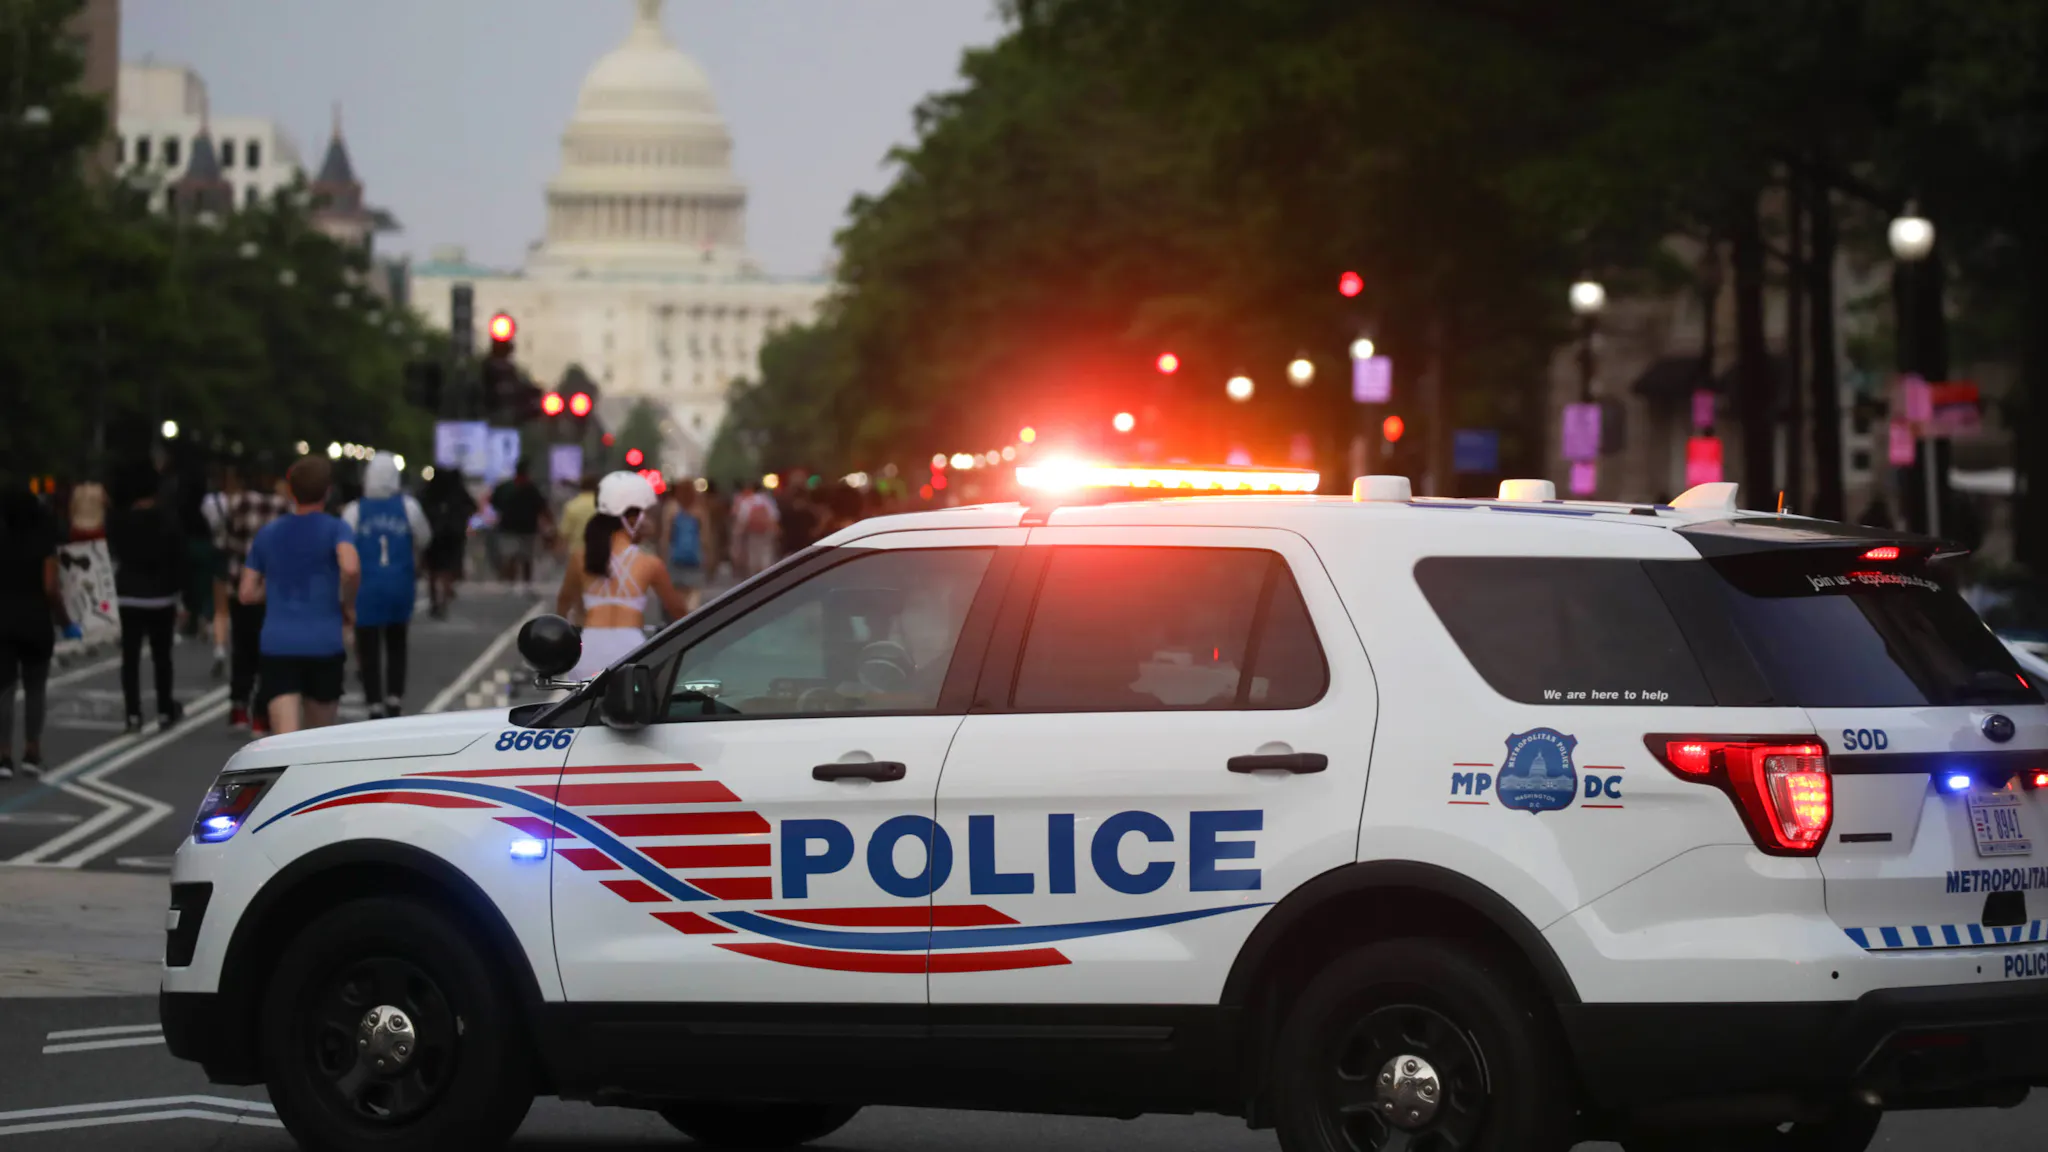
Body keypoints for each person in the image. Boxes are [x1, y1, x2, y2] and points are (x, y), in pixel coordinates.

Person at [240, 456, 359, 735]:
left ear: (290, 491)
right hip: (324, 644)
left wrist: (271, 591)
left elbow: (246, 592)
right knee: (317, 742)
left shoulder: (268, 533)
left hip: (278, 645)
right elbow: (351, 567)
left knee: (286, 743)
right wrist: (349, 604)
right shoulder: (336, 528)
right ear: (328, 492)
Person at [556, 471, 689, 681]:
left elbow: (564, 602)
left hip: (588, 650)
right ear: (633, 518)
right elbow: (678, 611)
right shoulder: (650, 563)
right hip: (630, 653)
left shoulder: (581, 557)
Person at [343, 453, 430, 719]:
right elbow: (425, 537)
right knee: (396, 642)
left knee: (367, 645)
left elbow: (344, 545)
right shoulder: (408, 507)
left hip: (367, 585)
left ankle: (373, 702)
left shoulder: (355, 510)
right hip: (399, 582)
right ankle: (394, 697)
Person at [0, 488, 78, 778]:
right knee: (35, 689)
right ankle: (32, 751)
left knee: (4, 691)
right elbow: (50, 588)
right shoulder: (44, 542)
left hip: (3, 623)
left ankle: (3, 755)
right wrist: (66, 621)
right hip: (35, 622)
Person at [106, 463, 185, 734]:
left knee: (129, 657)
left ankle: (133, 714)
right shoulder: (167, 519)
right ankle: (164, 709)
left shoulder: (119, 520)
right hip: (161, 596)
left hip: (128, 594)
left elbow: (112, 555)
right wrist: (181, 596)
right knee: (162, 656)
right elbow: (177, 560)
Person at [218, 464, 292, 732]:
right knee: (268, 655)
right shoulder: (283, 509)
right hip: (272, 592)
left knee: (242, 648)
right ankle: (261, 714)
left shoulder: (238, 504)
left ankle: (239, 707)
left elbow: (227, 542)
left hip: (242, 586)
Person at [420, 467, 476, 618]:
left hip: (433, 536)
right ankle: (443, 599)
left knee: (433, 571)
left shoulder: (429, 492)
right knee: (447, 569)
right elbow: (472, 507)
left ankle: (434, 600)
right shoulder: (458, 492)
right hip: (453, 536)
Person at [489, 459, 551, 591]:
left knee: (510, 557)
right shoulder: (532, 488)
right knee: (526, 558)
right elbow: (542, 507)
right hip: (527, 528)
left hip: (507, 527)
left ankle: (509, 583)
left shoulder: (505, 487)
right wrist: (549, 523)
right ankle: (526, 584)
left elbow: (493, 502)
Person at [665, 486, 705, 616]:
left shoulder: (672, 510)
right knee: (694, 590)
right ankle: (691, 614)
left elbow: (666, 536)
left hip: (676, 556)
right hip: (694, 557)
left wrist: (663, 555)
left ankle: (680, 619)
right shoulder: (699, 511)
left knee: (679, 591)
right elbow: (706, 536)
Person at [729, 481, 780, 579]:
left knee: (753, 555)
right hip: (766, 532)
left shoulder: (747, 501)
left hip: (752, 533)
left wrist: (737, 535)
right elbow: (774, 516)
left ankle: (755, 578)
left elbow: (742, 519)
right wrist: (775, 530)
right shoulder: (767, 500)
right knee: (766, 554)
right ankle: (766, 575)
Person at [558, 474, 598, 562]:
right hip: (598, 553)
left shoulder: (571, 506)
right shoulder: (602, 506)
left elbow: (565, 532)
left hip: (576, 553)